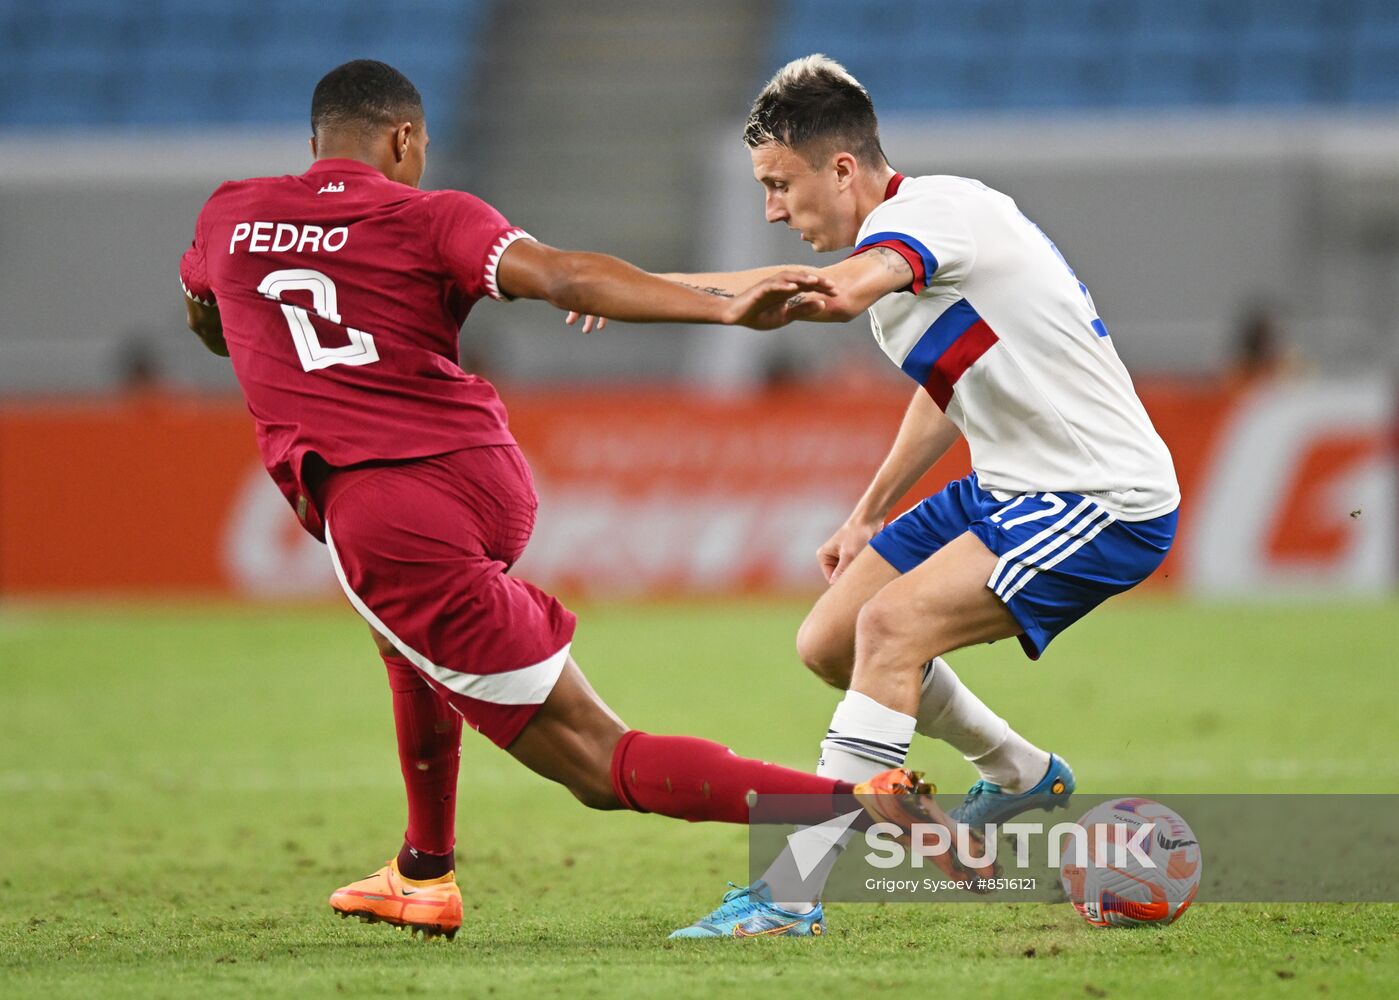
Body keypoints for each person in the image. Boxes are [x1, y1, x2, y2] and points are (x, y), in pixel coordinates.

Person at [178, 59, 946, 942]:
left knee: (594, 760)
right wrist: (720, 309)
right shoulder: (437, 216)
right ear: (402, 140)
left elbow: (208, 321)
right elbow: (569, 279)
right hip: (483, 476)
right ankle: (423, 870)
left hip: (386, 506)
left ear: (318, 142)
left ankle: (853, 804)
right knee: (408, 644)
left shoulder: (229, 214)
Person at [578, 54, 1180, 938]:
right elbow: (949, 383)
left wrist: (655, 294)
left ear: (844, 169)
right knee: (828, 640)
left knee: (891, 630)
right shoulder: (910, 258)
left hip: (1099, 496)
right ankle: (1020, 774)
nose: (773, 209)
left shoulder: (930, 218)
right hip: (1008, 486)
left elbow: (823, 298)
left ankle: (789, 892)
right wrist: (867, 512)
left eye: (780, 185)